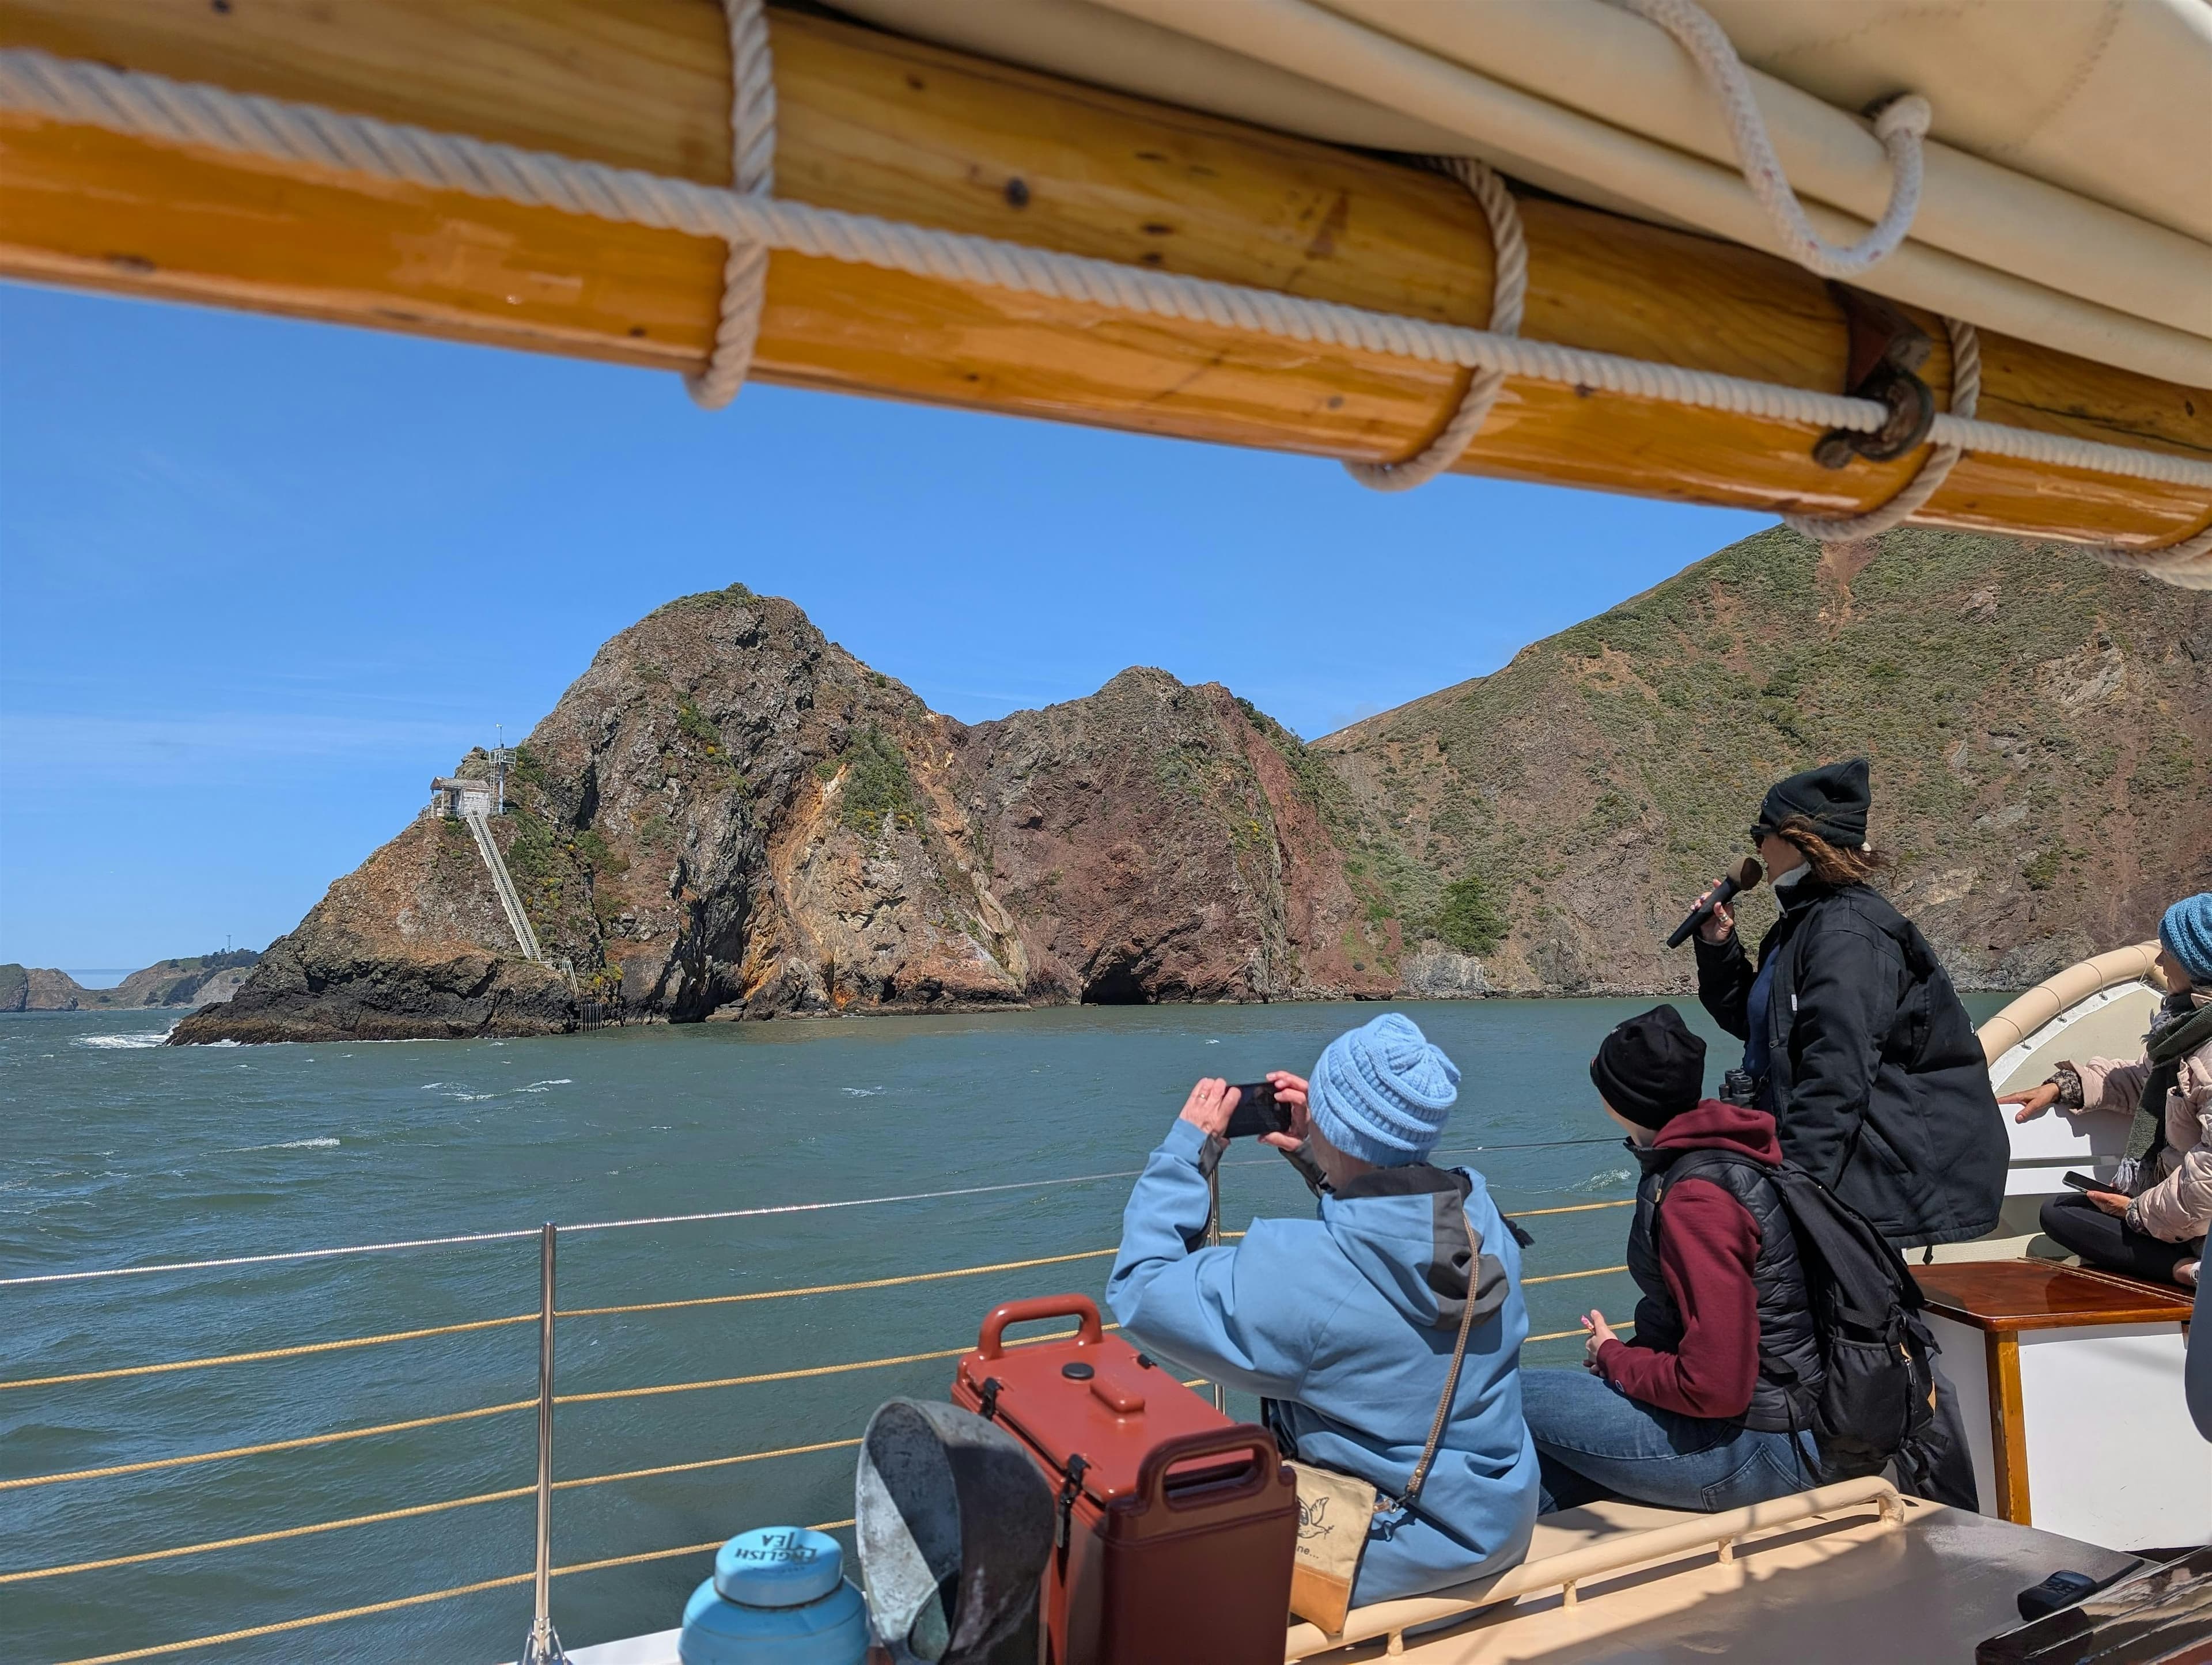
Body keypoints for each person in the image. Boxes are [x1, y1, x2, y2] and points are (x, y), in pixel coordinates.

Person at [1105, 1013, 1538, 1606]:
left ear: (1336, 1123)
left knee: (1142, 1562)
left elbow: (1141, 1287)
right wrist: (1325, 1156)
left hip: (1392, 1547)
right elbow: (1399, 1233)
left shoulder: (1303, 1277)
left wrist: (1185, 1155)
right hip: (1499, 1522)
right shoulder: (1485, 1225)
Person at [1692, 758, 2006, 1250]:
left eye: (1762, 834)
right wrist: (1716, 947)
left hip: (1880, 1178)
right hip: (1837, 1169)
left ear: (1797, 840)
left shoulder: (1848, 936)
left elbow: (1835, 1077)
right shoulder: (1798, 926)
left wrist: (1792, 1200)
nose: (1756, 847)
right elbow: (1765, 1027)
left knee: (1850, 1326)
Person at [1520, 1007, 1822, 1514]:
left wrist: (1616, 1357)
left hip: (1758, 1447)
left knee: (1498, 1393)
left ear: (1618, 1100)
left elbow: (1717, 1385)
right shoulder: (1723, 1155)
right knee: (1539, 1480)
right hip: (1775, 1429)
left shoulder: (1696, 1197)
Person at [2004, 893, 2212, 1288]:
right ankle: (2185, 1267)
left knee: (2064, 1216)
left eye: (2168, 951)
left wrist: (2135, 1210)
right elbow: (2144, 1081)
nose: (2159, 962)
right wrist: (2065, 1086)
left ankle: (2186, 1272)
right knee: (2062, 1211)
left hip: (2198, 1220)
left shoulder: (2204, 1047)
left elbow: (2208, 1179)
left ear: (2196, 963)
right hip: (2186, 1216)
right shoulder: (2188, 1030)